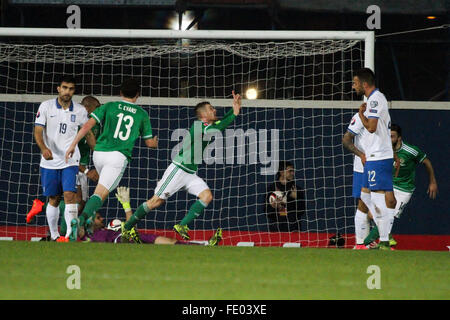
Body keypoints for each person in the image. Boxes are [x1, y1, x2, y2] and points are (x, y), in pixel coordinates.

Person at [121, 91, 242, 242]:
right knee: (155, 202)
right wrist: (234, 114)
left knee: (206, 196)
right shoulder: (200, 125)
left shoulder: (207, 125)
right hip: (178, 169)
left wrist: (234, 109)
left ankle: (182, 225)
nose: (215, 110)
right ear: (203, 114)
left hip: (190, 173)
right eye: (211, 109)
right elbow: (219, 127)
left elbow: (220, 123)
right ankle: (126, 228)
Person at [65, 78, 158, 237]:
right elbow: (149, 143)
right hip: (117, 157)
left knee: (102, 190)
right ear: (138, 94)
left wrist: (73, 143)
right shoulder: (142, 114)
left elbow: (87, 125)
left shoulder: (109, 106)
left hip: (99, 154)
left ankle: (89, 220)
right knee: (100, 192)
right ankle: (81, 219)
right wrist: (155, 142)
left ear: (120, 93)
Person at [26, 95, 102, 241]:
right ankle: (63, 235)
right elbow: (67, 155)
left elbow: (94, 147)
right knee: (73, 200)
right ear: (87, 108)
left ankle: (48, 216)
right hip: (73, 167)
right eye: (96, 108)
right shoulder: (74, 128)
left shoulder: (92, 126)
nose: (98, 111)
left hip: (81, 167)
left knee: (78, 203)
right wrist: (86, 171)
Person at [363, 124, 438, 247]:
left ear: (399, 138)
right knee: (372, 214)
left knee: (388, 215)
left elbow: (426, 162)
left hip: (404, 189)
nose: (389, 139)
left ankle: (367, 243)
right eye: (388, 136)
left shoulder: (410, 151)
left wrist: (432, 182)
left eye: (392, 136)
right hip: (388, 186)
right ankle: (388, 238)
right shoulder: (384, 149)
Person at [78, 186, 223, 246]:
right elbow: (124, 237)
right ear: (89, 222)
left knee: (171, 241)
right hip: (128, 241)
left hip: (134, 237)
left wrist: (126, 205)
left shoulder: (105, 230)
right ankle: (204, 246)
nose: (101, 218)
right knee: (169, 242)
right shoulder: (94, 237)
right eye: (98, 217)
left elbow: (129, 228)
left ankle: (203, 246)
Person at [352, 68, 398, 250]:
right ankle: (372, 237)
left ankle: (385, 241)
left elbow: (371, 127)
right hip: (375, 156)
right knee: (365, 195)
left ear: (364, 84)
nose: (353, 86)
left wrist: (361, 115)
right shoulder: (376, 99)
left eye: (355, 83)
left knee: (378, 199)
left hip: (378, 156)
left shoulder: (375, 99)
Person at [342, 112, 371, 249]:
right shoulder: (360, 116)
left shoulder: (382, 114)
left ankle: (368, 240)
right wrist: (361, 155)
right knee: (364, 203)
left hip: (379, 165)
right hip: (363, 168)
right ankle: (360, 243)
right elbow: (346, 139)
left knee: (378, 204)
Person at [264, 161, 306, 232]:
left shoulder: (297, 189)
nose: (293, 173)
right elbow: (266, 211)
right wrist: (274, 206)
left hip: (293, 229)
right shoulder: (271, 189)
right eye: (290, 171)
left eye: (293, 171)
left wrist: (295, 199)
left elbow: (301, 211)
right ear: (282, 172)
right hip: (276, 229)